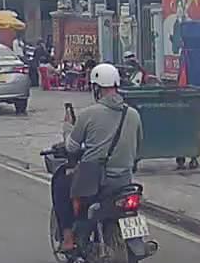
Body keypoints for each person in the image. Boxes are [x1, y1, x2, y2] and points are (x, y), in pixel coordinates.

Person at [50, 63, 144, 251]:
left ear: (96, 88)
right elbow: (139, 148)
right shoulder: (133, 114)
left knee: (60, 183)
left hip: (94, 181)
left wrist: (68, 128)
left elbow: (71, 147)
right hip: (124, 180)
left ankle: (68, 238)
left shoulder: (88, 114)